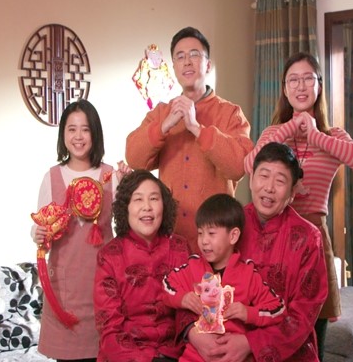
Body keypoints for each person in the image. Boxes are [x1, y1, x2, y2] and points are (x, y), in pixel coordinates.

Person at [243, 53, 353, 361]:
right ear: (284, 89)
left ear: (319, 86)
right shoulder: (273, 134)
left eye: (307, 79)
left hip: (314, 238)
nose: (300, 86)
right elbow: (249, 165)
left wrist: (314, 134)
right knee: (267, 323)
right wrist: (290, 128)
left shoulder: (332, 136)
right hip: (269, 241)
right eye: (293, 80)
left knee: (312, 333)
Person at [186, 142, 328, 361]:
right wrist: (192, 332)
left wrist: (251, 343)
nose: (269, 188)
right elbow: (192, 281)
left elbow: (304, 313)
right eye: (264, 176)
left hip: (285, 351)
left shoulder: (308, 238)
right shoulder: (226, 225)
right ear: (251, 179)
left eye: (280, 181)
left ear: (292, 192)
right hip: (222, 341)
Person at [125, 26, 254, 254]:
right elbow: (134, 159)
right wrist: (164, 126)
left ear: (208, 65)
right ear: (174, 67)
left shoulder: (230, 113)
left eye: (194, 55)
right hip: (169, 241)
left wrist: (196, 128)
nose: (187, 62)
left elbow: (238, 167)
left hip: (216, 242)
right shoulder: (162, 113)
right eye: (180, 56)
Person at [31, 99, 129, 361]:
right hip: (65, 292)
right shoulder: (51, 177)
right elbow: (42, 228)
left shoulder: (111, 175)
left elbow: (127, 229)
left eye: (85, 129)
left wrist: (129, 186)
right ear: (63, 134)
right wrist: (36, 234)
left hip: (104, 288)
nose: (78, 136)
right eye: (72, 129)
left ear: (95, 133)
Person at [163, 193, 285, 362]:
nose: (204, 241)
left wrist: (248, 312)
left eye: (211, 233)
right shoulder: (193, 266)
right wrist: (182, 298)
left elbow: (278, 308)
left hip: (232, 357)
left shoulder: (249, 274)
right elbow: (166, 285)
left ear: (233, 236)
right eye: (200, 233)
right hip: (194, 356)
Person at [94, 169, 191, 361]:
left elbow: (190, 312)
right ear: (126, 207)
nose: (147, 207)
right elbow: (109, 327)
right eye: (138, 199)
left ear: (164, 205)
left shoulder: (180, 248)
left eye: (154, 199)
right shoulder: (109, 256)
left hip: (176, 354)